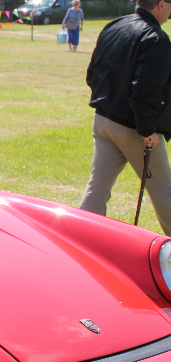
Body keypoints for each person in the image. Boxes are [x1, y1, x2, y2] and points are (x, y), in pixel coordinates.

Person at [80, 0, 171, 235]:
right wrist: (147, 129)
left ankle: (80, 242)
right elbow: (145, 91)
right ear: (161, 5)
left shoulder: (115, 25)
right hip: (134, 130)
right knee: (164, 190)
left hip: (104, 122)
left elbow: (92, 74)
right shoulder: (156, 38)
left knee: (96, 191)